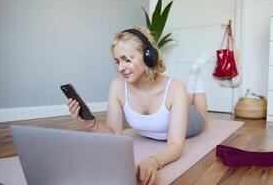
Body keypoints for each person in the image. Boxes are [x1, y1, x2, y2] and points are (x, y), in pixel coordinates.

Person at [67, 26, 209, 185]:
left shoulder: (175, 88)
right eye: (117, 61)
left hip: (188, 121)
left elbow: (176, 144)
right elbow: (114, 134)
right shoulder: (117, 87)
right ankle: (188, 93)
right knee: (184, 98)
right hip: (171, 106)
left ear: (148, 56)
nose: (121, 68)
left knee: (203, 115)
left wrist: (153, 162)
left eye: (127, 59)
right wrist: (90, 122)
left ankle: (195, 76)